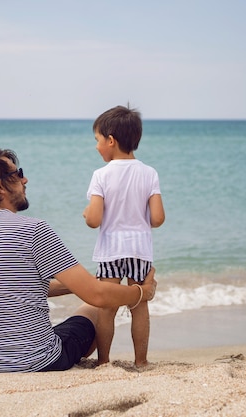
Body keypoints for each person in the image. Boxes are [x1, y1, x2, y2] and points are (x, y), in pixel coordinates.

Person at [0, 148, 157, 373]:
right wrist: (142, 293)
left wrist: (75, 286)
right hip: (33, 360)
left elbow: (11, 286)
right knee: (94, 308)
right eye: (18, 174)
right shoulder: (33, 230)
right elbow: (97, 295)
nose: (25, 179)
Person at [83, 105, 165, 368]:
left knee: (107, 308)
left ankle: (104, 361)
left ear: (110, 140)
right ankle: (141, 362)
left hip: (111, 250)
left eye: (97, 140)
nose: (96, 147)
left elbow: (94, 220)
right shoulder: (149, 173)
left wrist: (86, 213)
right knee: (139, 304)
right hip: (140, 249)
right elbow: (157, 219)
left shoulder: (100, 176)